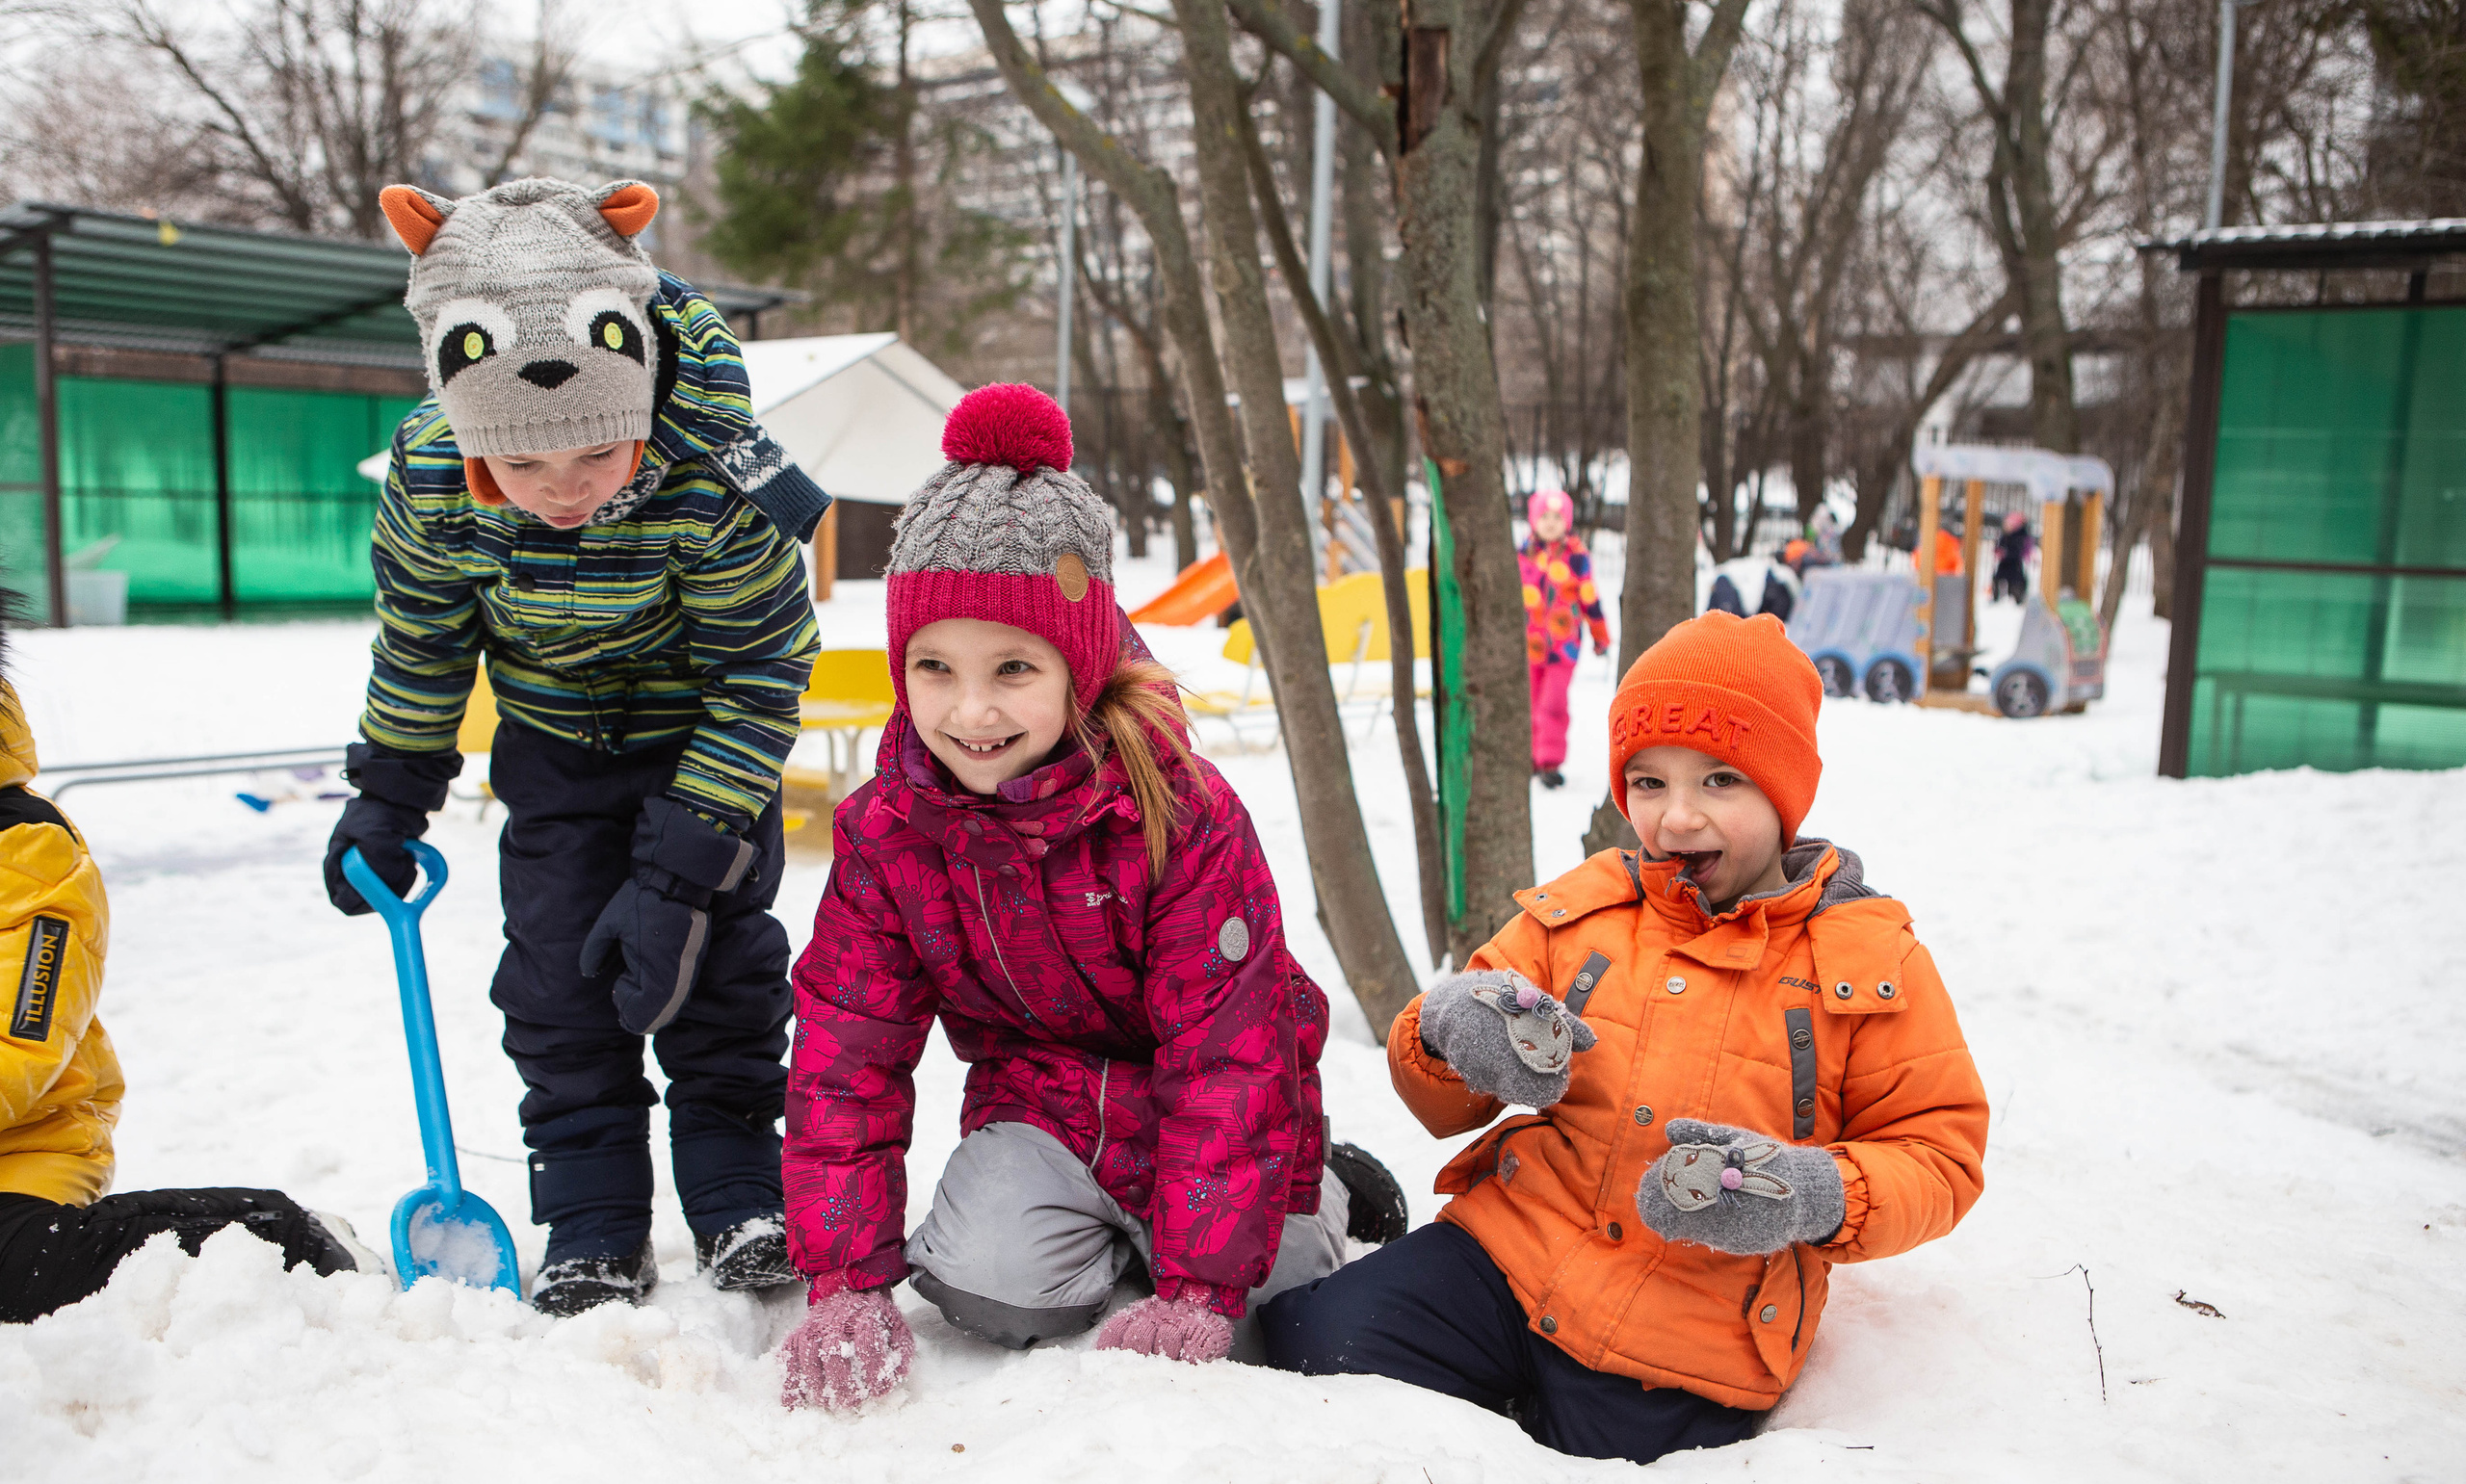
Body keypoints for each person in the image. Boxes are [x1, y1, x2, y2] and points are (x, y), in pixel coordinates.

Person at [774, 384, 1406, 1413]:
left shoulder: (1177, 813)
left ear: (1080, 665)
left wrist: (1199, 1288)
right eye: (933, 667)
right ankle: (1119, 1234)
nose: (970, 709)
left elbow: (1227, 1052)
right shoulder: (888, 831)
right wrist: (845, 1281)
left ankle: (1319, 1179)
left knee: (1268, 1299)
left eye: (1012, 668)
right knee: (981, 1283)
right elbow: (847, 1051)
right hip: (1045, 1115)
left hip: (1211, 1106)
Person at [1262, 612, 1989, 1467]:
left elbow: (1939, 1151)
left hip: (1691, 1331)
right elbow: (1439, 1091)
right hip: (1509, 1253)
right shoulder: (1589, 910)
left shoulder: (1866, 959)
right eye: (1648, 782)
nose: (1676, 817)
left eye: (1719, 780)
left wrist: (1813, 1193)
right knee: (1308, 1344)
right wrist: (1448, 1029)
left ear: (1784, 790)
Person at [321, 176, 829, 1316]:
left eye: (596, 457)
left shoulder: (715, 471)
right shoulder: (433, 476)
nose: (564, 493)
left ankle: (741, 1191)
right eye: (523, 470)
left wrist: (680, 870)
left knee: (718, 971)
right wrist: (391, 794)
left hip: (706, 746)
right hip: (554, 751)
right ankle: (595, 1218)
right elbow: (424, 641)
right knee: (556, 987)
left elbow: (760, 670)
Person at [0, 597, 372, 1324]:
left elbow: (22, 1038)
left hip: (25, 1148)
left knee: (16, 1275)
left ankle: (273, 1236)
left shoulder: (24, 848)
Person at [1519, 490, 1611, 790]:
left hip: (1564, 647)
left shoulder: (1576, 556)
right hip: (1529, 646)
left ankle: (1549, 760)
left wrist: (1600, 635)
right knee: (1530, 701)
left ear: (1567, 522)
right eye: (1544, 516)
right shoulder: (1523, 555)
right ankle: (1530, 756)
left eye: (1557, 517)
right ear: (1533, 520)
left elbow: (1589, 598)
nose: (1550, 523)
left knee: (1552, 703)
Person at [1993, 511, 2033, 604]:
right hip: (2004, 563)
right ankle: (1999, 598)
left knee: (2015, 582)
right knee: (1999, 579)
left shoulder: (2019, 537)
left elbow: (2018, 551)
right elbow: (1999, 545)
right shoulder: (2005, 536)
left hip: (2015, 564)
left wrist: (2006, 553)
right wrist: (1999, 551)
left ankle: (2016, 598)